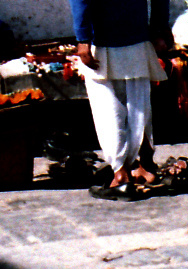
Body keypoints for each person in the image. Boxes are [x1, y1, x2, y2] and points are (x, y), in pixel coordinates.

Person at [71, 0, 168, 201]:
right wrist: (160, 29)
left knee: (108, 110)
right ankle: (146, 167)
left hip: (104, 42)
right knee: (140, 105)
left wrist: (83, 38)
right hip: (138, 39)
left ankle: (121, 177)